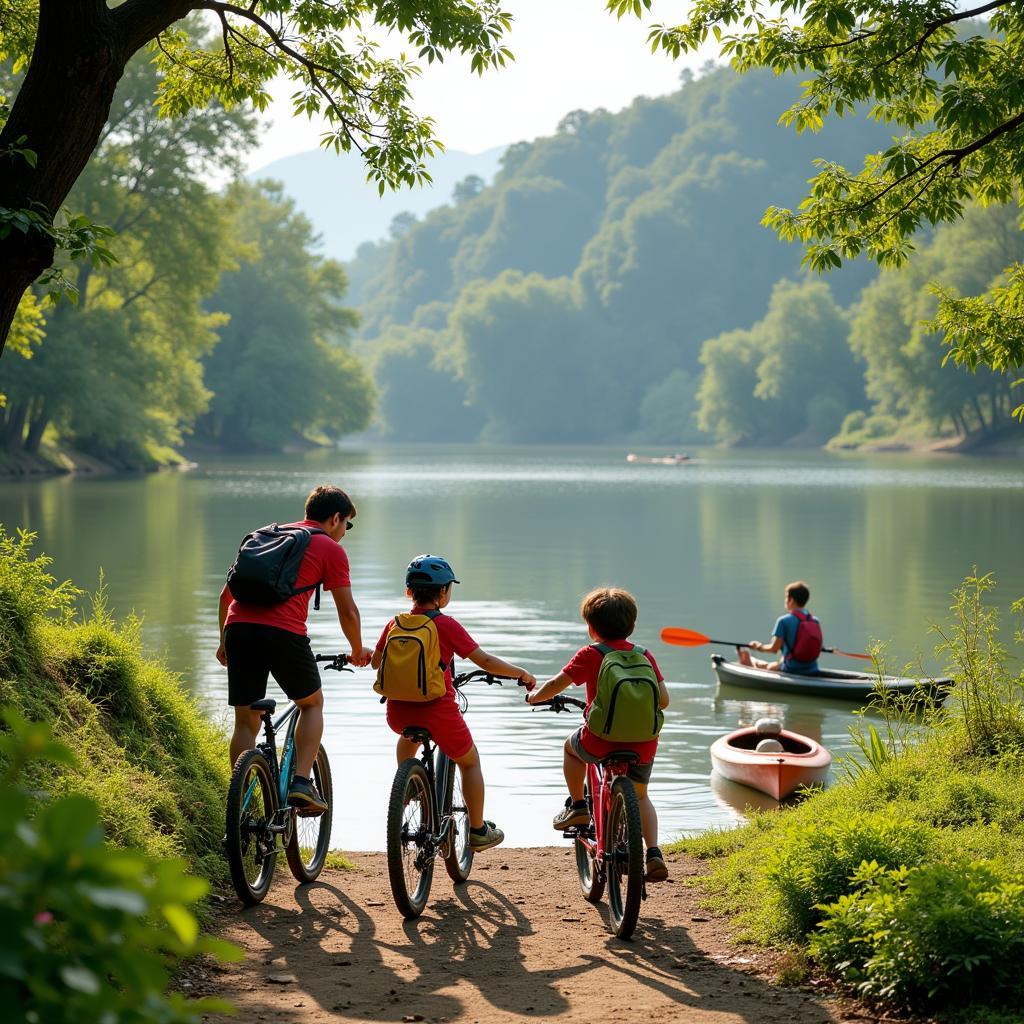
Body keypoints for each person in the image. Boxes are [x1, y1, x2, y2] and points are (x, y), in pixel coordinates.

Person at [217, 485, 372, 814]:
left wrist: (222, 642)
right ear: (335, 519)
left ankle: (240, 806)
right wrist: (357, 650)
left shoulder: (267, 537)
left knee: (246, 723)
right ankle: (301, 782)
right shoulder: (328, 548)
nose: (345, 533)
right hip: (283, 632)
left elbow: (225, 597)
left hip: (238, 629)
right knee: (312, 703)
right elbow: (348, 612)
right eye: (347, 525)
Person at [371, 554, 535, 853]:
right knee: (470, 762)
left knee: (408, 739)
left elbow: (375, 663)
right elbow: (483, 660)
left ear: (409, 591)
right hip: (438, 713)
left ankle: (407, 783)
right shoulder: (446, 626)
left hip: (397, 712)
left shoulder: (394, 624)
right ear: (444, 592)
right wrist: (520, 673)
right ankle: (478, 830)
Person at [525, 587, 671, 882]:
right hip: (643, 744)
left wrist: (535, 698)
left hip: (599, 741)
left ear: (591, 628)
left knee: (570, 747)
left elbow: (557, 683)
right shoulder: (644, 655)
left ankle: (579, 806)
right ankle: (653, 852)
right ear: (632, 625)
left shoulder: (591, 654)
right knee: (641, 795)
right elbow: (664, 700)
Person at [738, 580, 822, 675]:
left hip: (792, 668)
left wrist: (758, 647)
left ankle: (749, 662)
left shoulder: (783, 621)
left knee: (769, 667)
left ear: (791, 600)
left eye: (786, 597)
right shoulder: (815, 621)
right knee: (773, 664)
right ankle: (752, 661)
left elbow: (774, 649)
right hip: (812, 668)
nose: (785, 600)